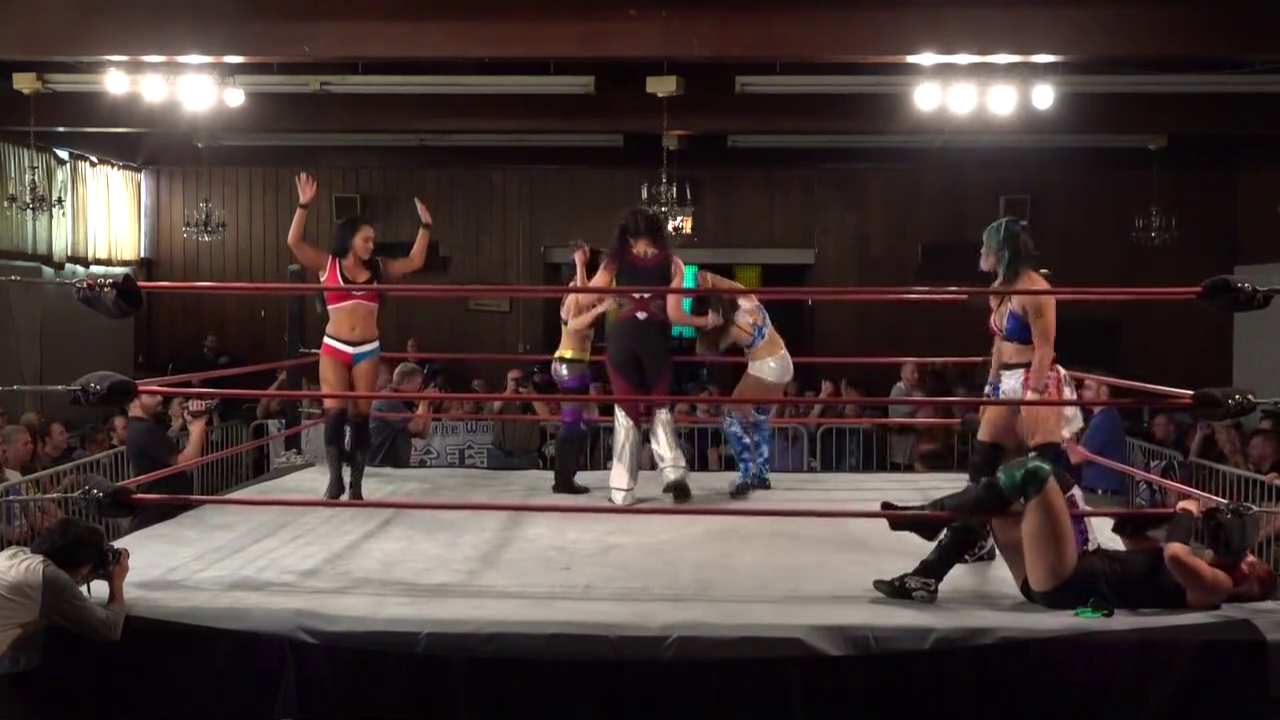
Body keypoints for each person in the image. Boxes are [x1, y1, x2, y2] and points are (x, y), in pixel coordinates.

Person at [874, 217, 1086, 603]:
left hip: (1035, 379)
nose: (981, 253)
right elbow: (999, 345)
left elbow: (1045, 348)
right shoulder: (998, 290)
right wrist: (990, 388)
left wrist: (1034, 395)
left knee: (1045, 469)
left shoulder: (1036, 290)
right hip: (1006, 381)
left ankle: (1075, 548)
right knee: (981, 475)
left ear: (1001, 251)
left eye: (987, 246)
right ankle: (936, 568)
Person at [881, 455, 1276, 610]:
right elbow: (1133, 540)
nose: (1246, 556)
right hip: (1064, 574)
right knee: (999, 500)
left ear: (1248, 582)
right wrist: (1149, 516)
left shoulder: (1217, 588)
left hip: (1071, 580)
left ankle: (930, 518)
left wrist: (1185, 515)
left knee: (1037, 474)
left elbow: (1174, 554)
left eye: (1252, 564)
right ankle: (926, 576)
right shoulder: (1198, 571)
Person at [286, 172, 433, 501]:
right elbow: (294, 242)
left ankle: (356, 485)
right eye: (366, 239)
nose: (371, 245)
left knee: (360, 416)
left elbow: (415, 261)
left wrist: (425, 226)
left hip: (367, 348)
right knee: (334, 413)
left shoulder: (378, 268)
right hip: (334, 346)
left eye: (372, 240)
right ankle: (334, 480)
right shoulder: (328, 264)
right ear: (349, 238)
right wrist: (303, 205)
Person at [584, 208, 722, 506]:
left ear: (627, 236)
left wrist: (586, 273)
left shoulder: (614, 261)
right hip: (655, 344)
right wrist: (704, 321)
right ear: (659, 233)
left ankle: (622, 491)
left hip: (621, 342)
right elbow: (675, 314)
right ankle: (673, 474)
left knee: (626, 411)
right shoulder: (673, 263)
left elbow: (584, 296)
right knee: (660, 406)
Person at [691, 270, 793, 498]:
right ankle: (762, 475)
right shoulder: (749, 300)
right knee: (760, 416)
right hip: (785, 361)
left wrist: (705, 323)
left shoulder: (731, 330)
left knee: (730, 416)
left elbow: (704, 351)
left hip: (765, 367)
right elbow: (732, 285)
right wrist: (711, 280)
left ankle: (746, 474)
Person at [0, 517, 128, 667]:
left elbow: (66, 579)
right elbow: (110, 628)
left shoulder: (15, 553)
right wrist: (116, 583)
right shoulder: (49, 578)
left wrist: (93, 573)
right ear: (81, 563)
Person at [550, 242, 612, 495]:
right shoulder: (576, 293)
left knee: (589, 418)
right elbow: (574, 324)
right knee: (572, 424)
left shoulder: (581, 290)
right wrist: (601, 308)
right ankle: (562, 480)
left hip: (576, 363)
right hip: (570, 364)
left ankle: (568, 473)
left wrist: (581, 264)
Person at [125, 395, 212, 532]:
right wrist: (198, 425)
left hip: (163, 508)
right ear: (135, 401)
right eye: (152, 394)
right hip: (160, 512)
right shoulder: (143, 429)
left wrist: (193, 425)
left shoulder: (139, 427)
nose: (160, 397)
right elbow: (186, 462)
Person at [368, 363, 434, 469]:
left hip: (394, 468)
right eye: (418, 384)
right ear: (407, 382)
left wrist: (429, 405)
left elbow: (423, 433)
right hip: (380, 468)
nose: (420, 389)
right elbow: (416, 427)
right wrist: (424, 402)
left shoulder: (403, 401)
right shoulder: (387, 399)